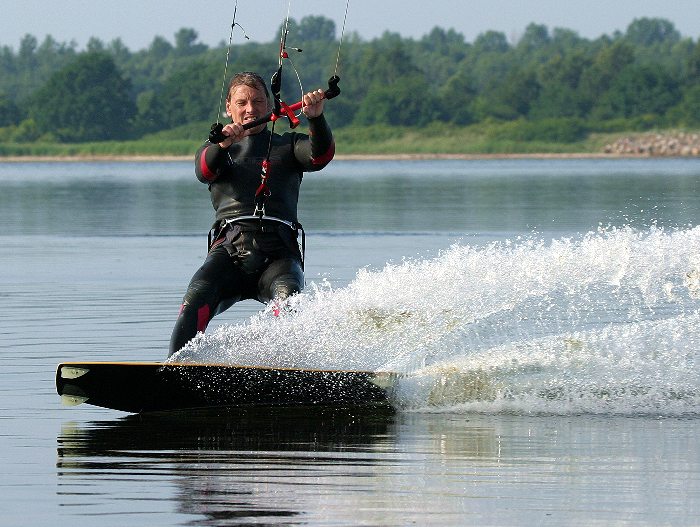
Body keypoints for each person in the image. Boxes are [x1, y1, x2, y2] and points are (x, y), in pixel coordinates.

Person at [168, 71, 335, 357]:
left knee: (290, 301)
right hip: (229, 252)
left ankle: (284, 370)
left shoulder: (290, 145)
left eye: (258, 101)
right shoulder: (215, 149)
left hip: (279, 252)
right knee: (195, 299)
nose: (250, 109)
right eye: (242, 102)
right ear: (229, 107)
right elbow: (204, 171)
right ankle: (173, 368)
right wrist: (223, 144)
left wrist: (316, 118)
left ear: (270, 107)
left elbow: (320, 156)